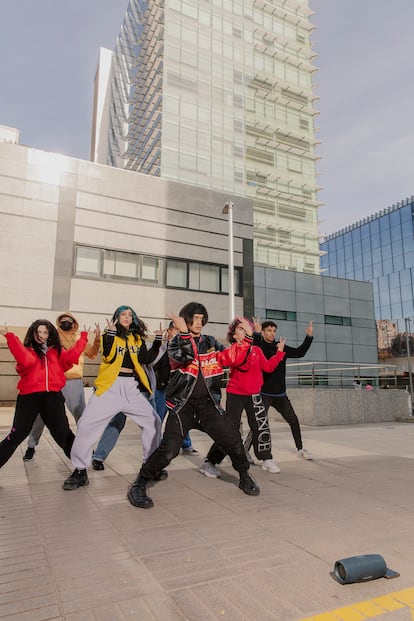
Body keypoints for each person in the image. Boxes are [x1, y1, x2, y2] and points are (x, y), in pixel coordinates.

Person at [127, 301, 260, 509]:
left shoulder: (211, 342)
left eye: (201, 318)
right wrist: (182, 333)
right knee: (169, 449)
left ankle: (244, 474)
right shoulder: (175, 342)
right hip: (183, 407)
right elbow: (185, 357)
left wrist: (248, 338)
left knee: (232, 439)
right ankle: (140, 482)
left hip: (209, 406)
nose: (199, 322)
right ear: (186, 319)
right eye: (195, 318)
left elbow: (231, 357)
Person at [62, 305, 163, 490]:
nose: (127, 317)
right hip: (109, 387)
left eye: (130, 314)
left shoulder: (137, 338)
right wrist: (109, 334)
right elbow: (108, 354)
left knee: (153, 422)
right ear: (116, 317)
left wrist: (157, 341)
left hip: (131, 388)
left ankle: (150, 465)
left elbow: (146, 358)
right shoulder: (110, 335)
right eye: (123, 314)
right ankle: (80, 470)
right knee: (85, 425)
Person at [201, 317, 286, 477]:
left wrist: (279, 354)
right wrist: (249, 336)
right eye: (241, 328)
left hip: (254, 394)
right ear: (234, 335)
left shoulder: (257, 350)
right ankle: (210, 462)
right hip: (236, 394)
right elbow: (242, 364)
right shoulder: (234, 349)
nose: (245, 330)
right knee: (229, 429)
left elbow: (267, 367)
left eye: (246, 328)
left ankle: (266, 459)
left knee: (260, 427)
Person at [0, 320, 88, 469]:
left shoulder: (57, 352)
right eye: (38, 332)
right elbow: (24, 359)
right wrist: (10, 336)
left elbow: (71, 356)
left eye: (45, 332)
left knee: (63, 435)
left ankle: (81, 469)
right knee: (17, 435)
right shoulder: (27, 351)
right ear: (33, 333)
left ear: (50, 334)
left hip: (52, 397)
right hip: (29, 398)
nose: (41, 335)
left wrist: (83, 338)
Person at [23, 312, 101, 461]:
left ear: (74, 323)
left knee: (81, 416)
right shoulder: (53, 337)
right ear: (59, 323)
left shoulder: (79, 338)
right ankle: (31, 446)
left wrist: (97, 339)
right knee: (40, 416)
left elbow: (92, 353)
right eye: (63, 320)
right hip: (53, 382)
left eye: (69, 320)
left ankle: (86, 446)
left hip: (74, 381)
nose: (66, 322)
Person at [247, 318, 314, 463]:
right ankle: (245, 451)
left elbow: (299, 353)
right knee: (258, 424)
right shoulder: (259, 345)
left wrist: (308, 337)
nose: (272, 334)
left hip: (280, 394)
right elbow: (256, 348)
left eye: (274, 331)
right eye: (269, 331)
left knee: (293, 420)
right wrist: (257, 334)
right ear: (263, 332)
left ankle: (300, 448)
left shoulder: (280, 346)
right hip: (263, 393)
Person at [153, 321, 198, 455]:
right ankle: (156, 445)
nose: (177, 333)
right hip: (162, 389)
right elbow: (153, 364)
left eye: (180, 331)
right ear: (169, 331)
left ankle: (186, 445)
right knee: (158, 418)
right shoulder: (162, 348)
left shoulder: (183, 349)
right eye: (175, 330)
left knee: (181, 418)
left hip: (179, 390)